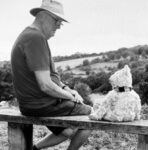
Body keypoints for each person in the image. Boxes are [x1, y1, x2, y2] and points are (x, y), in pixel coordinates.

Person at [11, 0, 92, 150]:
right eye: (58, 21)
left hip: (33, 104)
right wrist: (71, 97)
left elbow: (51, 78)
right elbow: (46, 85)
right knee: (90, 115)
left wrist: (67, 89)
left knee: (68, 130)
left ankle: (34, 149)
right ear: (45, 17)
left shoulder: (30, 36)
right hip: (41, 104)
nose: (59, 26)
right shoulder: (35, 38)